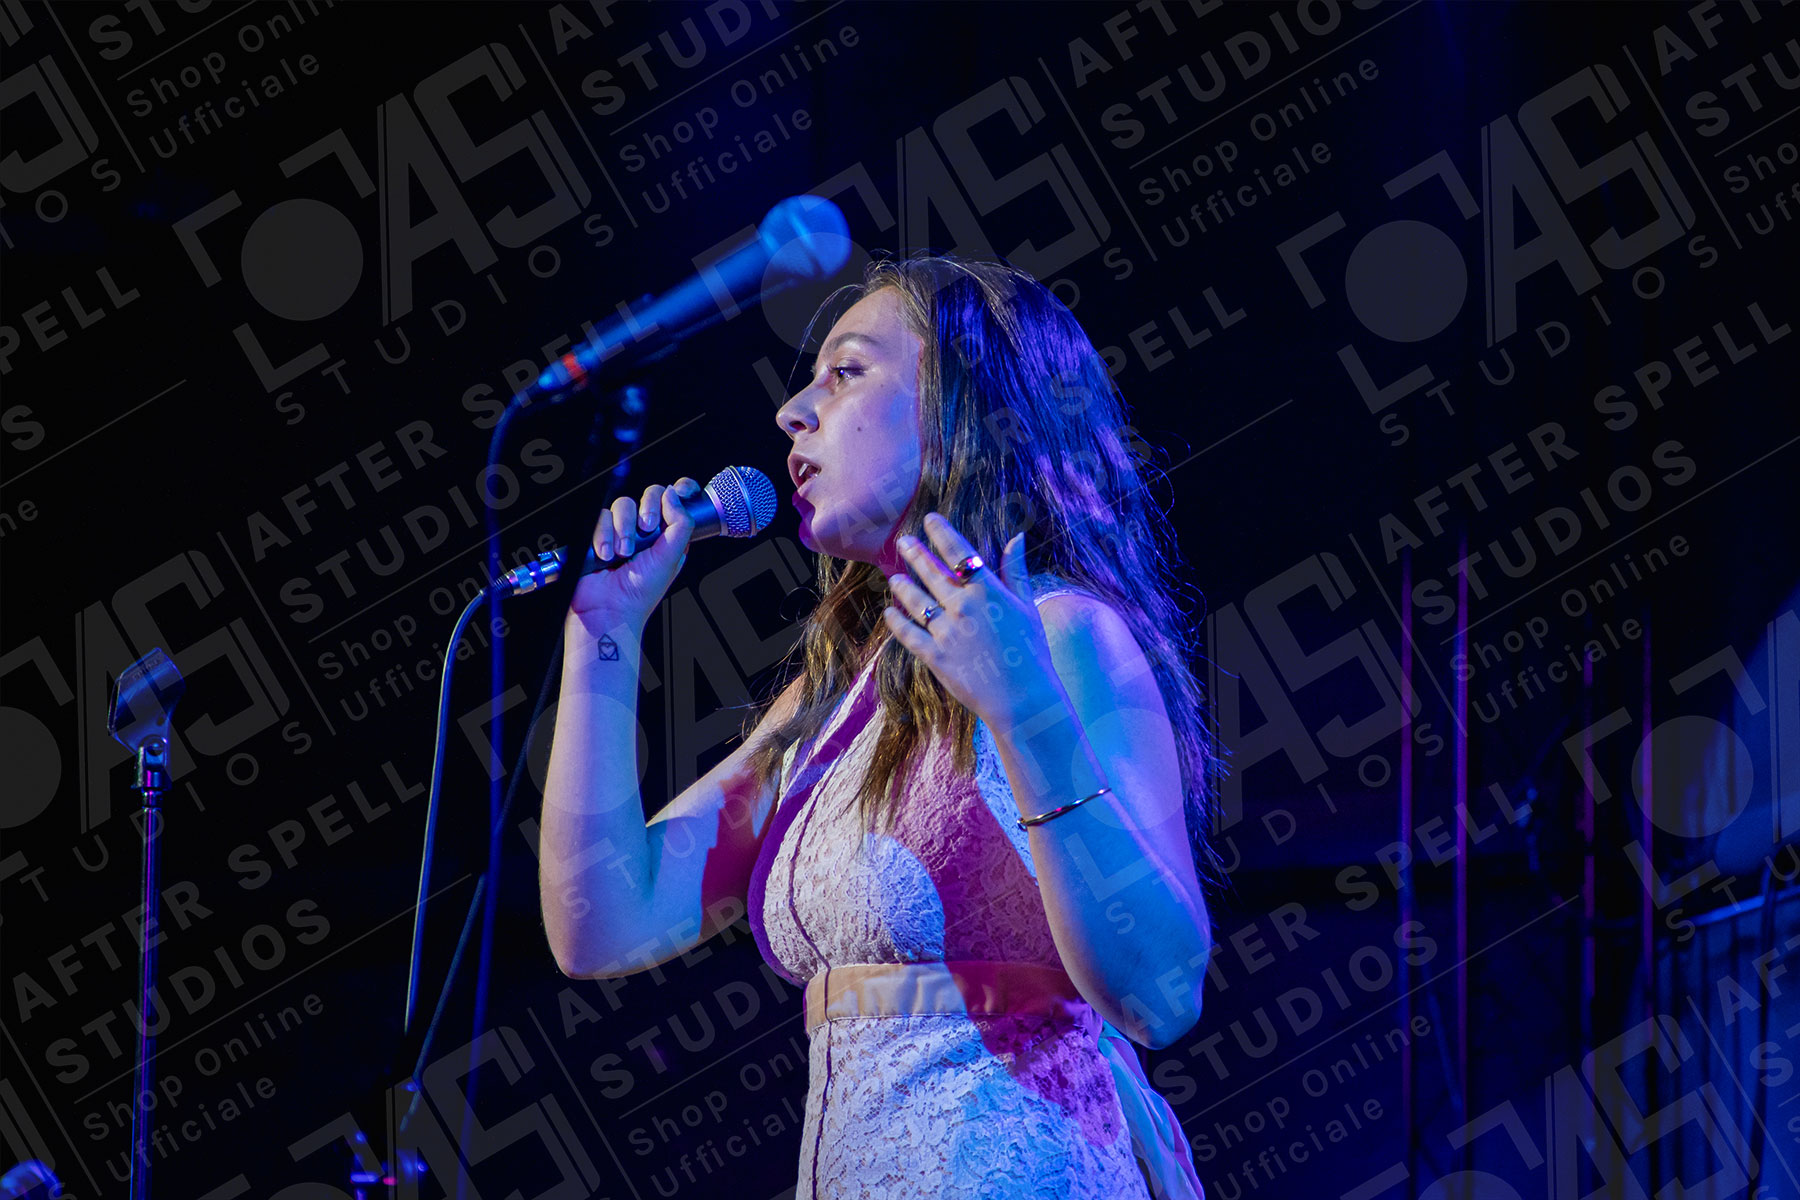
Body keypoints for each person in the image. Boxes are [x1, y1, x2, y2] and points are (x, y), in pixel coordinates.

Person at [539, 254, 1222, 1199]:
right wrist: (603, 640)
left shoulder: (1060, 635)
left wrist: (1024, 710)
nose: (794, 410)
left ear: (961, 411)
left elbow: (1162, 992)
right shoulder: (828, 705)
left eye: (846, 372)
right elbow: (604, 923)